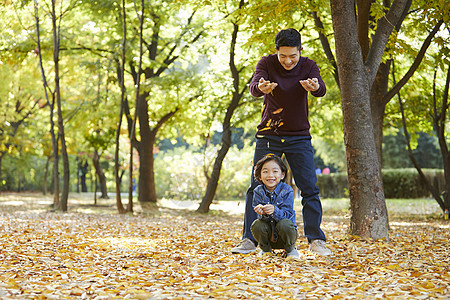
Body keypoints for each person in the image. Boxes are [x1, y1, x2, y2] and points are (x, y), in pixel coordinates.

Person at [231, 28, 331, 256]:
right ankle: (248, 239)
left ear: (300, 51)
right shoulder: (266, 63)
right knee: (255, 187)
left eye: (293, 56)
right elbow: (254, 87)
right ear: (276, 51)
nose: (288, 61)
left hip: (299, 136)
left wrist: (315, 87)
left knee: (310, 188)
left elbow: (321, 89)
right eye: (283, 56)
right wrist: (261, 88)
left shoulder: (308, 65)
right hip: (269, 135)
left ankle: (316, 240)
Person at [251, 154, 299, 259]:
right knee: (257, 224)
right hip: (268, 235)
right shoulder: (258, 191)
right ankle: (266, 250)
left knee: (284, 223)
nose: (270, 175)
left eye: (275, 171)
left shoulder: (287, 190)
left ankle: (291, 250)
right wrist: (261, 211)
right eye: (265, 171)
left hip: (285, 236)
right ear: (259, 176)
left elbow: (288, 214)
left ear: (282, 175)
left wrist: (274, 210)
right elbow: (259, 217)